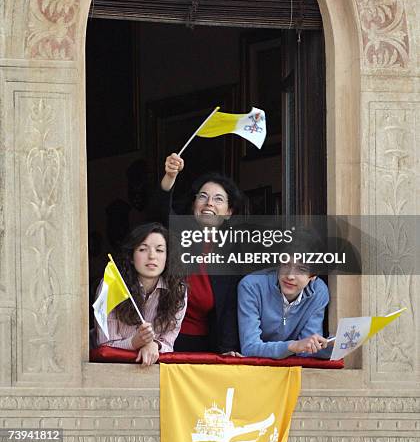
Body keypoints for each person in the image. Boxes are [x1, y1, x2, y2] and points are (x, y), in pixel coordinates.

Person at [151, 152, 243, 355]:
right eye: (203, 196)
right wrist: (170, 177)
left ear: (228, 212)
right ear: (194, 205)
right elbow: (160, 211)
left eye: (218, 199)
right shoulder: (176, 234)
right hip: (160, 339)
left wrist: (227, 351)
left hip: (205, 344)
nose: (209, 203)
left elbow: (229, 310)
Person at [95, 222, 187, 366]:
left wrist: (154, 345)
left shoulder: (178, 290)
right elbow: (104, 345)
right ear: (131, 257)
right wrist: (135, 342)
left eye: (159, 250)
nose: (152, 256)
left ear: (167, 257)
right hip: (110, 370)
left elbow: (168, 343)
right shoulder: (112, 285)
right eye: (143, 249)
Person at [238, 229, 334, 359]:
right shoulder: (251, 286)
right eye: (285, 264)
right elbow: (249, 347)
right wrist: (293, 346)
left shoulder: (319, 292)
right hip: (253, 369)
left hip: (290, 370)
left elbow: (307, 349)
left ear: (314, 275)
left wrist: (331, 347)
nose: (289, 276)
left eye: (301, 269)